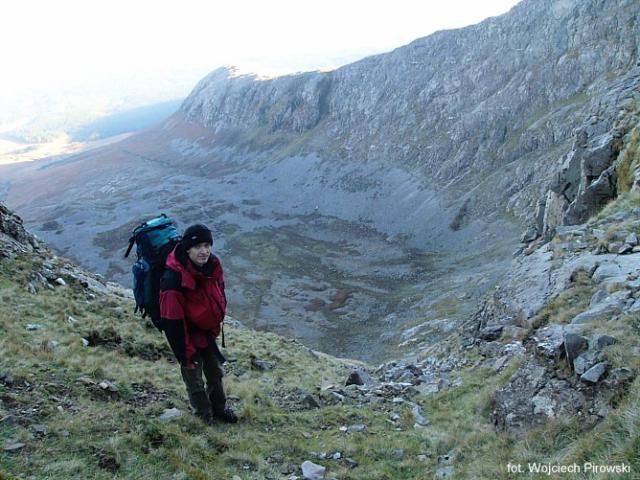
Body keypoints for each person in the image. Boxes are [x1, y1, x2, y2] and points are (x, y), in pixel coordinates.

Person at [159, 223, 238, 424]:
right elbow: (172, 321)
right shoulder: (173, 279)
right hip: (186, 337)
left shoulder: (212, 265)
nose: (204, 251)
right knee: (194, 379)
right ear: (187, 248)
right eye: (197, 246)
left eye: (207, 245)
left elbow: (219, 292)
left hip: (207, 333)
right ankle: (204, 416)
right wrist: (185, 353)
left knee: (215, 373)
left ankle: (219, 408)